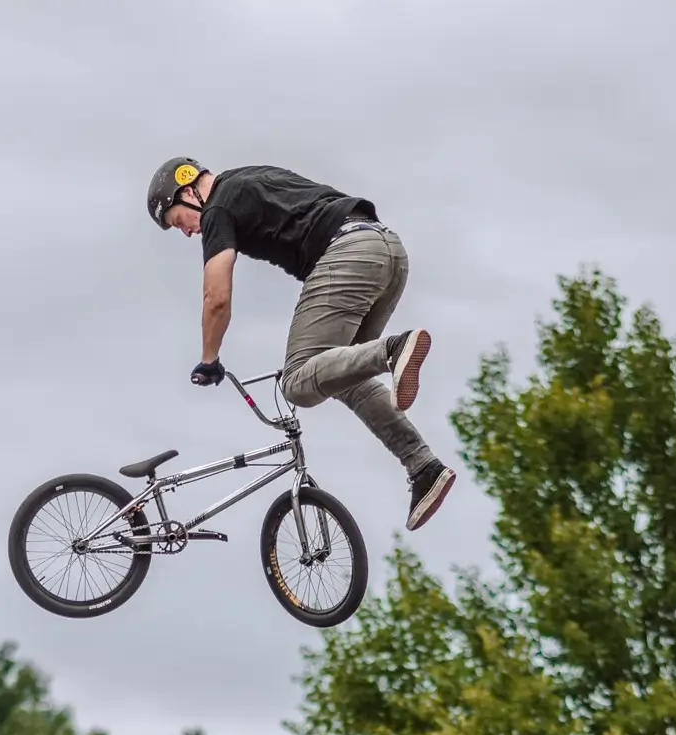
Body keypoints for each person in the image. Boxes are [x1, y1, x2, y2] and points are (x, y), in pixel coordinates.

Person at [147, 157, 457, 533]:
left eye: (179, 221)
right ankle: (423, 466)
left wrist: (209, 359)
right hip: (387, 249)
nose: (187, 232)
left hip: (348, 254)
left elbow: (216, 297)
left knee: (297, 381)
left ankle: (392, 350)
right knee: (342, 374)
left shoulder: (217, 209)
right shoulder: (251, 176)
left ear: (188, 190)